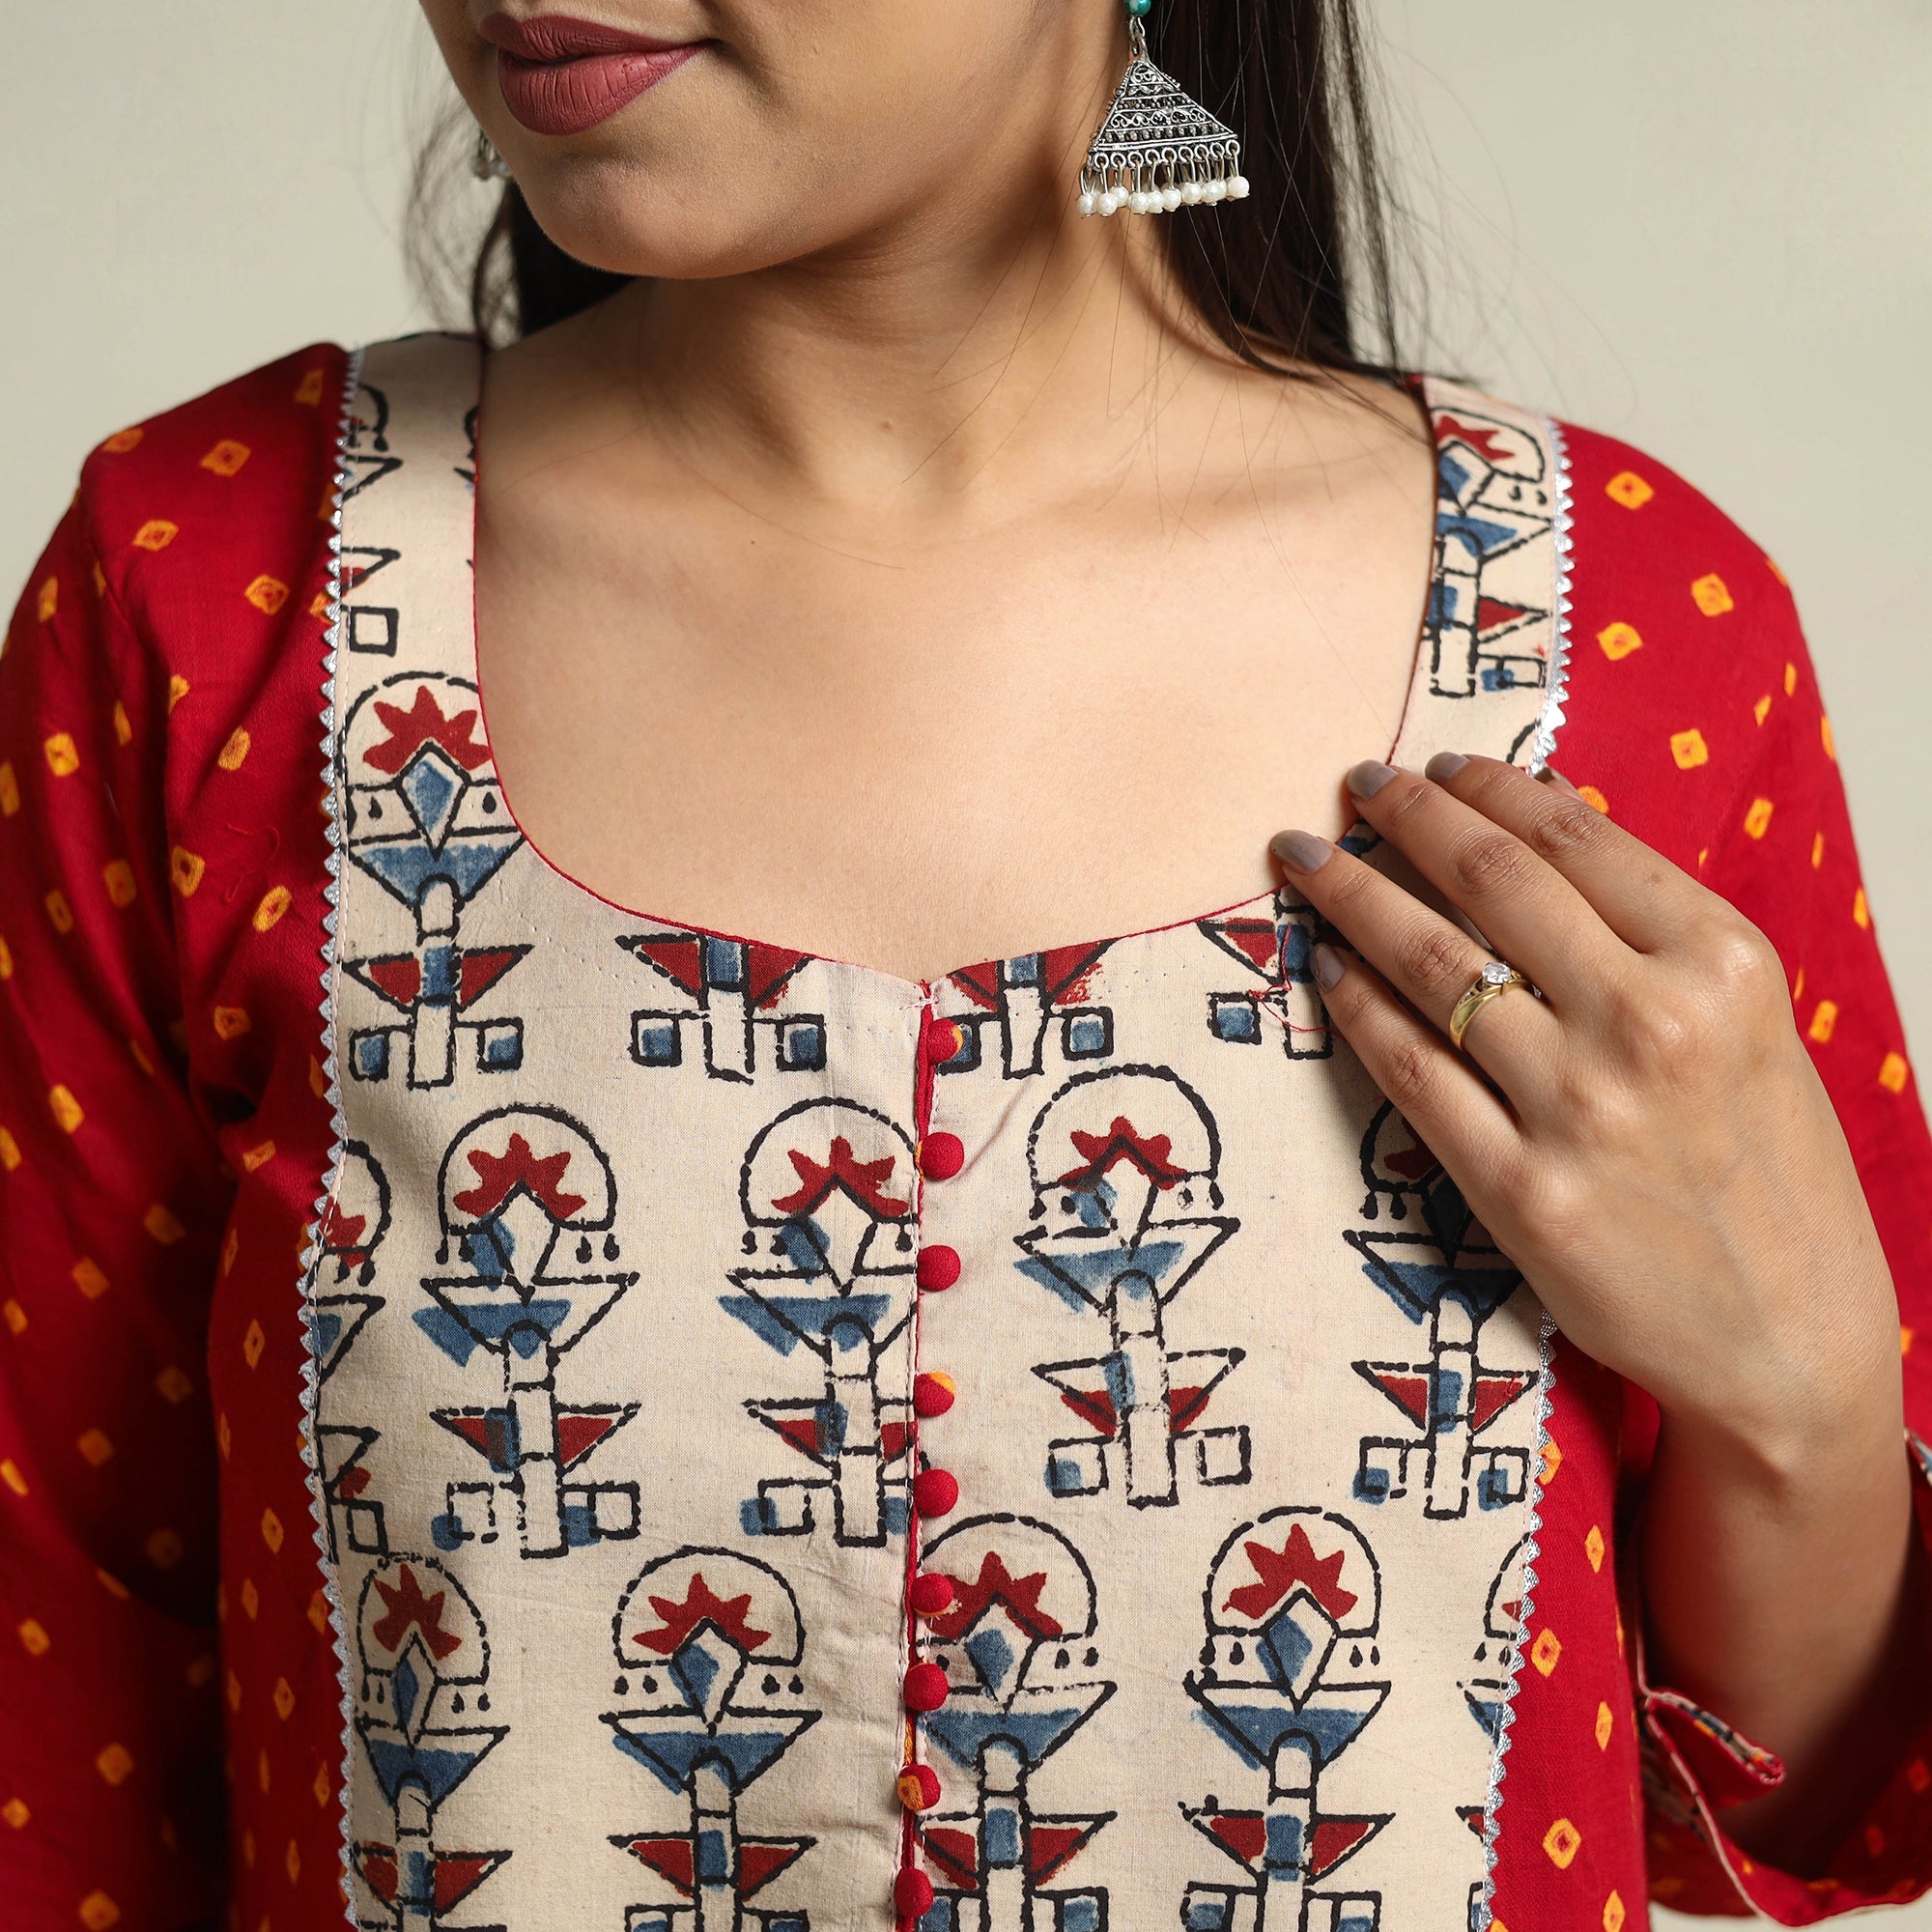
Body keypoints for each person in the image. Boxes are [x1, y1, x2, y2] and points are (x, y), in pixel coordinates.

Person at [4, 4, 1930, 1928]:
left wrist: (1808, 1406)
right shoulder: (214, 599)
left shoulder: (1627, 646)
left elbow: (1806, 1798)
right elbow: (52, 1742)